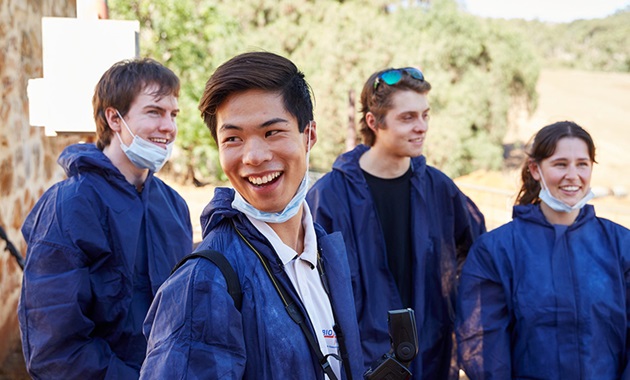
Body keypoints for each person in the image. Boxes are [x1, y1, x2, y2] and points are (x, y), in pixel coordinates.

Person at [140, 51, 364, 380]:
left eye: (272, 132)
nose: (254, 156)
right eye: (233, 139)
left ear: (309, 136)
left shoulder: (325, 255)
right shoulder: (203, 283)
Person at [18, 58, 193, 379]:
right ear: (114, 118)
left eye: (173, 114)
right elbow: (55, 349)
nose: (169, 127)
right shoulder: (69, 206)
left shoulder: (174, 206)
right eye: (154, 112)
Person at [306, 67, 486, 379]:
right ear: (374, 122)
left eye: (425, 115)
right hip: (357, 364)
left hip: (431, 358)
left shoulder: (440, 189)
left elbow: (477, 255)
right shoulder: (329, 196)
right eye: (408, 118)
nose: (421, 127)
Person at [456, 121, 630, 379]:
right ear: (535, 170)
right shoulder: (497, 250)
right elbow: (484, 343)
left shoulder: (621, 245)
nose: (573, 175)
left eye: (582, 164)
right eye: (560, 164)